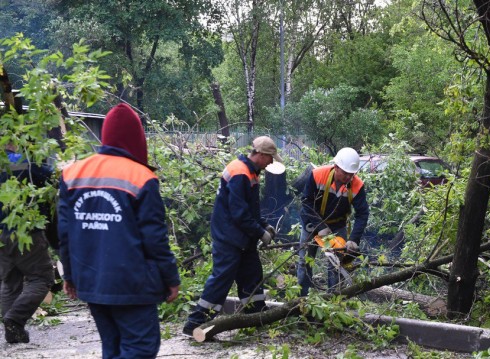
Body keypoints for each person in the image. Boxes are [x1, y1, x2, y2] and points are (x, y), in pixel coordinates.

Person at [58, 103, 180, 358]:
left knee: (111, 347)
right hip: (132, 285)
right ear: (137, 137)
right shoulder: (141, 177)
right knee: (140, 348)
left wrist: (70, 276)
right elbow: (155, 238)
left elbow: (65, 233)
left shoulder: (72, 173)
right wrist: (171, 279)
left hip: (91, 281)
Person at [183, 136, 283, 335]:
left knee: (252, 275)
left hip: (242, 237)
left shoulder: (251, 172)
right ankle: (195, 324)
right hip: (229, 237)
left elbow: (250, 210)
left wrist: (264, 225)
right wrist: (260, 232)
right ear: (261, 155)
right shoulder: (240, 172)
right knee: (222, 279)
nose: (271, 162)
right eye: (270, 158)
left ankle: (256, 316)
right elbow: (239, 213)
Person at [0, 144, 55, 344]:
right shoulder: (24, 160)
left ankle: (13, 332)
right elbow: (52, 178)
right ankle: (14, 320)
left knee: (10, 281)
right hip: (25, 230)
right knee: (42, 278)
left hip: (1, 234)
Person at [297, 147, 369, 296]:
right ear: (336, 167)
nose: (349, 177)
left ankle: (333, 299)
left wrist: (354, 240)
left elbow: (362, 213)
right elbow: (306, 202)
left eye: (352, 174)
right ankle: (301, 298)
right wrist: (320, 226)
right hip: (312, 223)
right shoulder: (318, 175)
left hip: (337, 225)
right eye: (346, 173)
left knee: (336, 264)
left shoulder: (357, 185)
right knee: (305, 260)